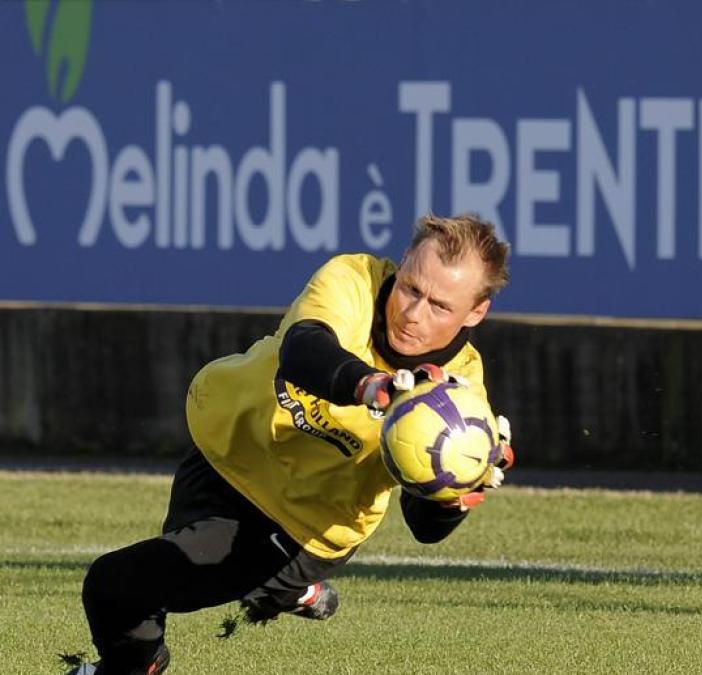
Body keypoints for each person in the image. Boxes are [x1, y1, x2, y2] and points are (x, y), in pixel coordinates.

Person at [68, 213, 515, 673]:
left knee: (116, 587)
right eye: (410, 288)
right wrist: (370, 386)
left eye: (440, 306)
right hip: (229, 449)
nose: (413, 313)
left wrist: (453, 497)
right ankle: (284, 592)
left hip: (300, 526)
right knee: (180, 562)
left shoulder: (460, 399)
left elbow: (424, 525)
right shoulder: (355, 278)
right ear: (401, 263)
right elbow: (304, 351)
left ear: (476, 312)